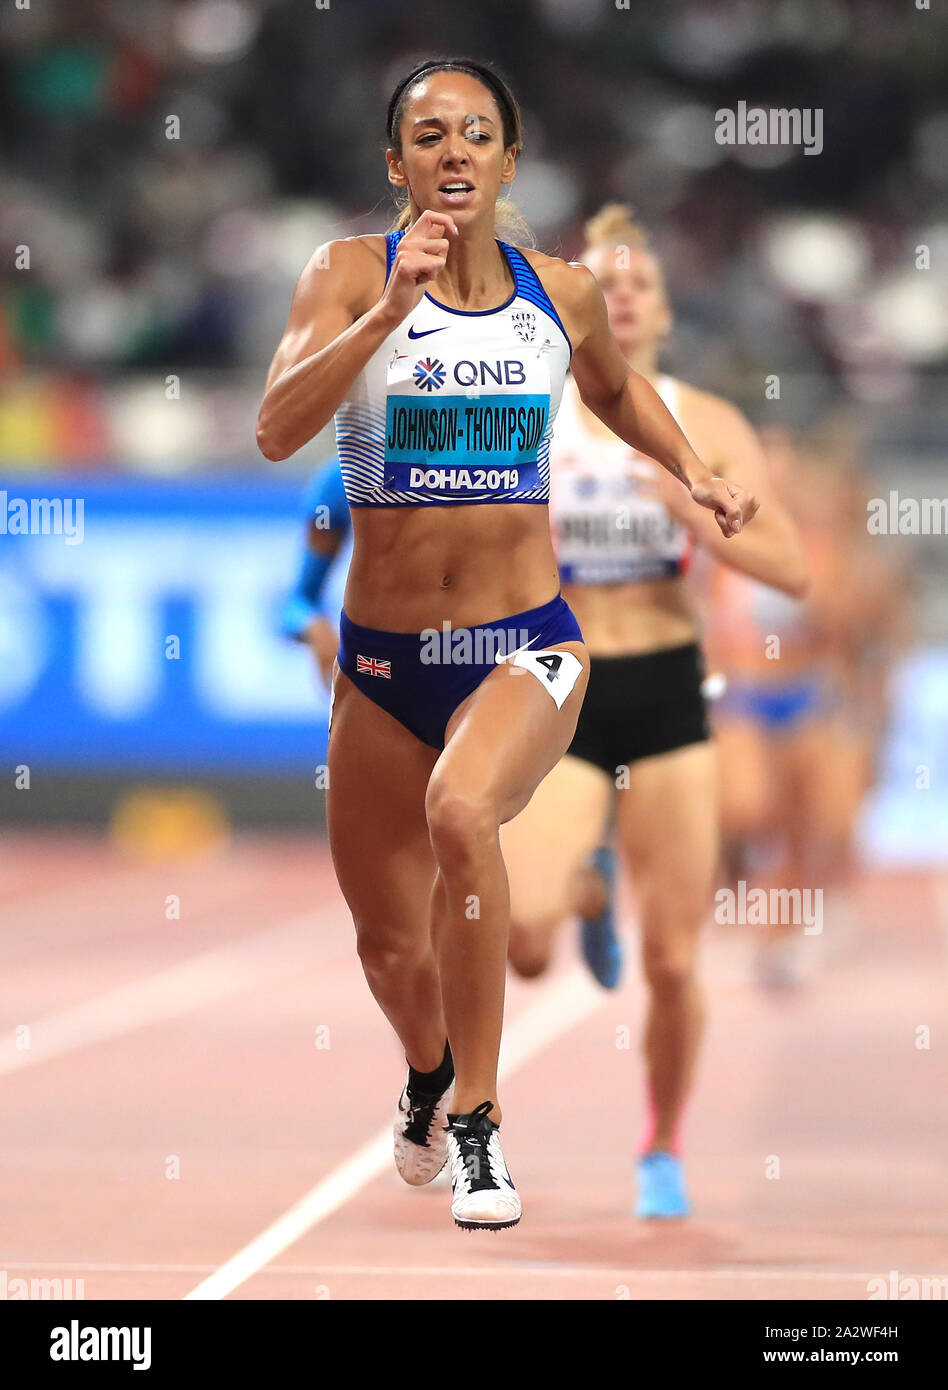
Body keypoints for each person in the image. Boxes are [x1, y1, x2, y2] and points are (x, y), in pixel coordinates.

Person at [256, 60, 757, 1231]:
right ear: (398, 166)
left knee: (462, 815)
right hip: (381, 669)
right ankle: (429, 1073)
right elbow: (279, 429)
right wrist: (387, 315)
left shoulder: (562, 294)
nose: (454, 152)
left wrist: (696, 472)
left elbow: (619, 391)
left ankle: (478, 1122)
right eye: (429, 136)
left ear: (509, 162)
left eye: (478, 133)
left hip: (524, 645)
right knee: (388, 945)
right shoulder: (346, 274)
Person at [500, 205, 807, 1218]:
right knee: (525, 937)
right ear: (572, 305)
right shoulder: (531, 411)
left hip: (669, 690)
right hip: (563, 686)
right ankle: (587, 889)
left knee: (675, 961)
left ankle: (662, 1143)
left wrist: (693, 508)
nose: (622, 295)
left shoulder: (708, 422)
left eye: (641, 283)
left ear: (665, 311)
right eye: (605, 281)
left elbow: (790, 568)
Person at [279, 455, 351, 684]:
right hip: (382, 672)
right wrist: (315, 627)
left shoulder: (461, 468)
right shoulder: (343, 479)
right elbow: (298, 604)